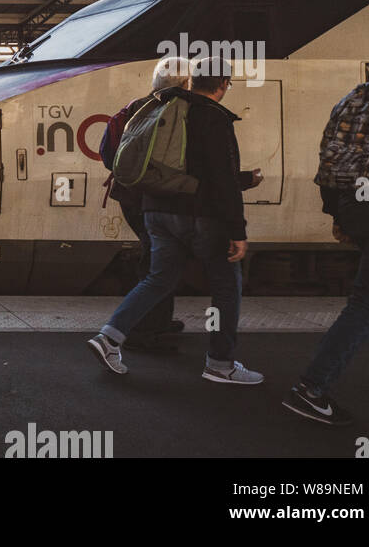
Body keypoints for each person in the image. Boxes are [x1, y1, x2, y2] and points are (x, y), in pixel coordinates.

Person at [87, 56, 264, 384]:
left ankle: (109, 338)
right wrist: (237, 229)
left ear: (192, 81)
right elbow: (222, 180)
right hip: (201, 216)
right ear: (223, 85)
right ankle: (220, 364)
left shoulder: (159, 107)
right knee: (227, 285)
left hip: (156, 210)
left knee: (159, 278)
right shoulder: (214, 117)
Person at [283, 26, 369, 426]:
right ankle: (311, 388)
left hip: (364, 215)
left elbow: (327, 163)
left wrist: (339, 214)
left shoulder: (355, 97)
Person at [100, 57, 193, 352]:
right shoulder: (180, 112)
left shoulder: (134, 108)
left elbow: (106, 154)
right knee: (159, 263)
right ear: (186, 83)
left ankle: (157, 321)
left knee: (158, 259)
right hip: (157, 198)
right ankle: (140, 329)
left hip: (129, 196)